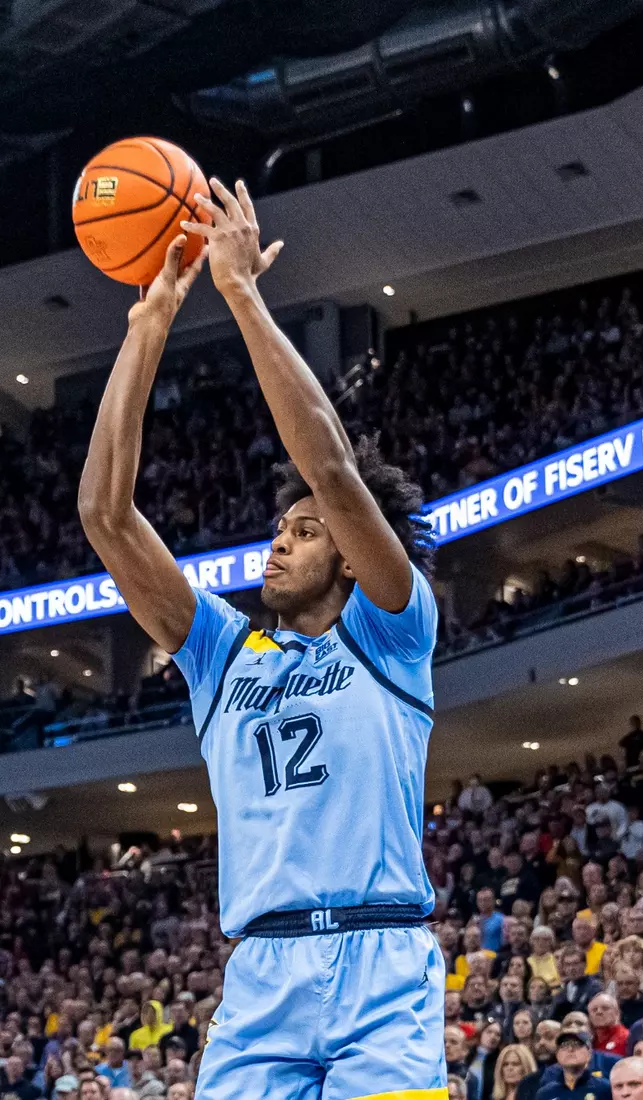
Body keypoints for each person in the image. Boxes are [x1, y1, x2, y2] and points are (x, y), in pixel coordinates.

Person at [78, 187, 445, 1095]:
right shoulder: (221, 654)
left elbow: (328, 463)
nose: (280, 540)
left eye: (307, 530)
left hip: (379, 958)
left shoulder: (394, 630)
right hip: (260, 977)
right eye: (279, 526)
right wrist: (151, 320)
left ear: (356, 557)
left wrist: (241, 291)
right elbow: (105, 516)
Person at [538, 1032, 613, 1100]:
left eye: (577, 1044)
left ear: (589, 1053)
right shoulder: (545, 1094)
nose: (570, 1049)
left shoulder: (605, 1089)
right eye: (564, 1045)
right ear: (557, 1055)